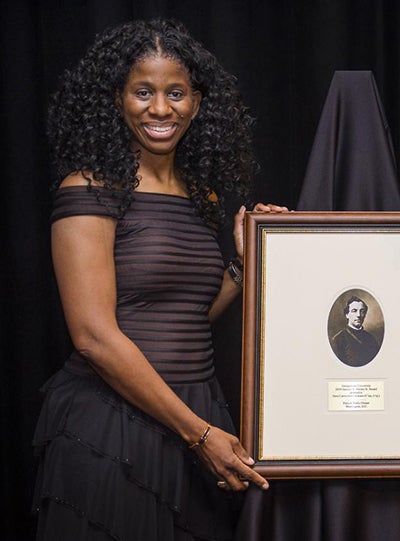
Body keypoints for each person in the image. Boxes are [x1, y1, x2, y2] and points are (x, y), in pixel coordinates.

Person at [32, 18, 287, 541]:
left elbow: (187, 315)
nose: (161, 109)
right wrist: (200, 437)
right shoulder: (89, 188)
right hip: (114, 424)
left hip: (198, 413)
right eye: (142, 92)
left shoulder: (202, 197)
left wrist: (240, 266)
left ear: (198, 101)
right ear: (117, 98)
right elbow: (94, 337)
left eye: (176, 93)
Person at [331, 296, 380, 367]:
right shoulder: (337, 340)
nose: (359, 315)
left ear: (365, 315)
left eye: (362, 311)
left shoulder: (371, 339)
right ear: (347, 315)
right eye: (354, 311)